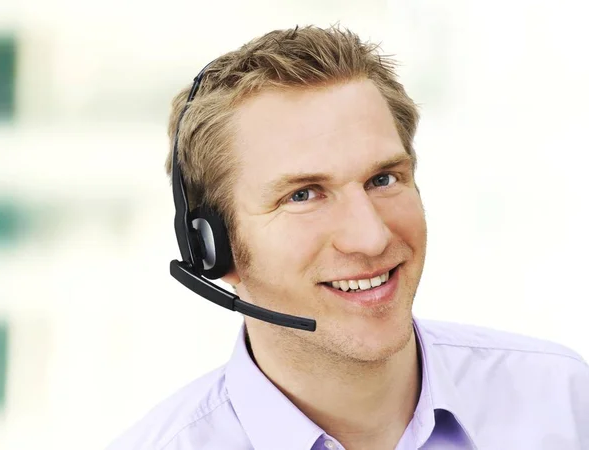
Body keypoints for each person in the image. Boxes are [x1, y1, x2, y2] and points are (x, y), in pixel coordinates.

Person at [107, 26, 589, 450]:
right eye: (303, 195)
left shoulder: (564, 403)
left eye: (383, 179)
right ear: (210, 247)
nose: (372, 237)